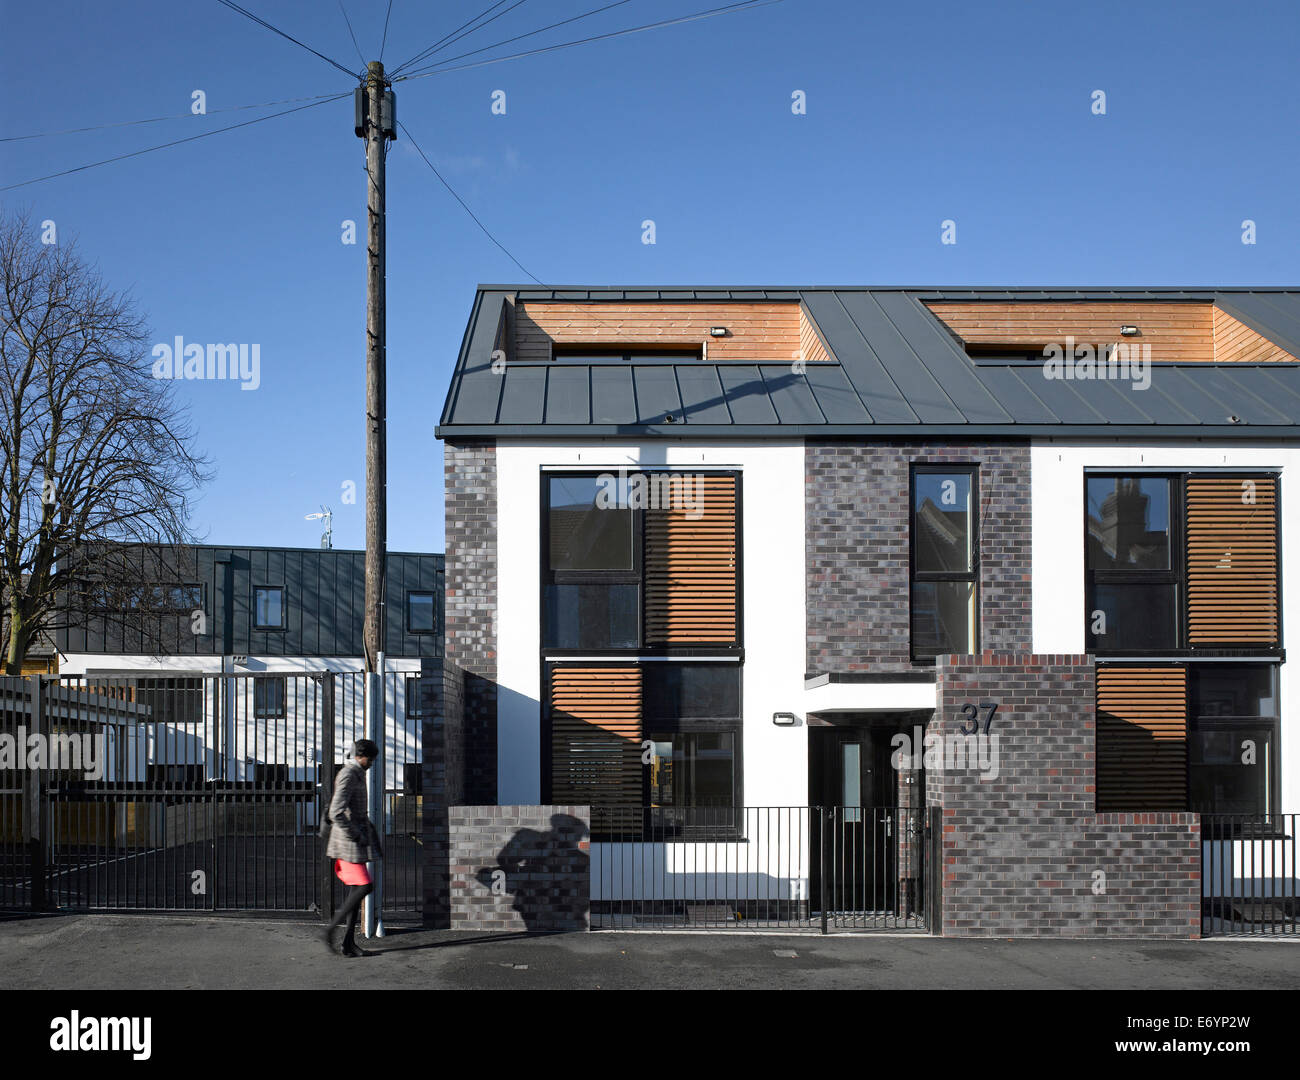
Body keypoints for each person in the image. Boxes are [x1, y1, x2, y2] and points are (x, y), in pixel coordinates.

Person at [321, 739, 383, 957]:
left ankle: (348, 944)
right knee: (364, 887)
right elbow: (336, 812)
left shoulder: (357, 773)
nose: (372, 763)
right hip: (347, 842)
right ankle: (329, 930)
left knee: (357, 889)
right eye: (371, 759)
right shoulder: (349, 774)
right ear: (360, 755)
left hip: (354, 840)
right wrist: (356, 834)